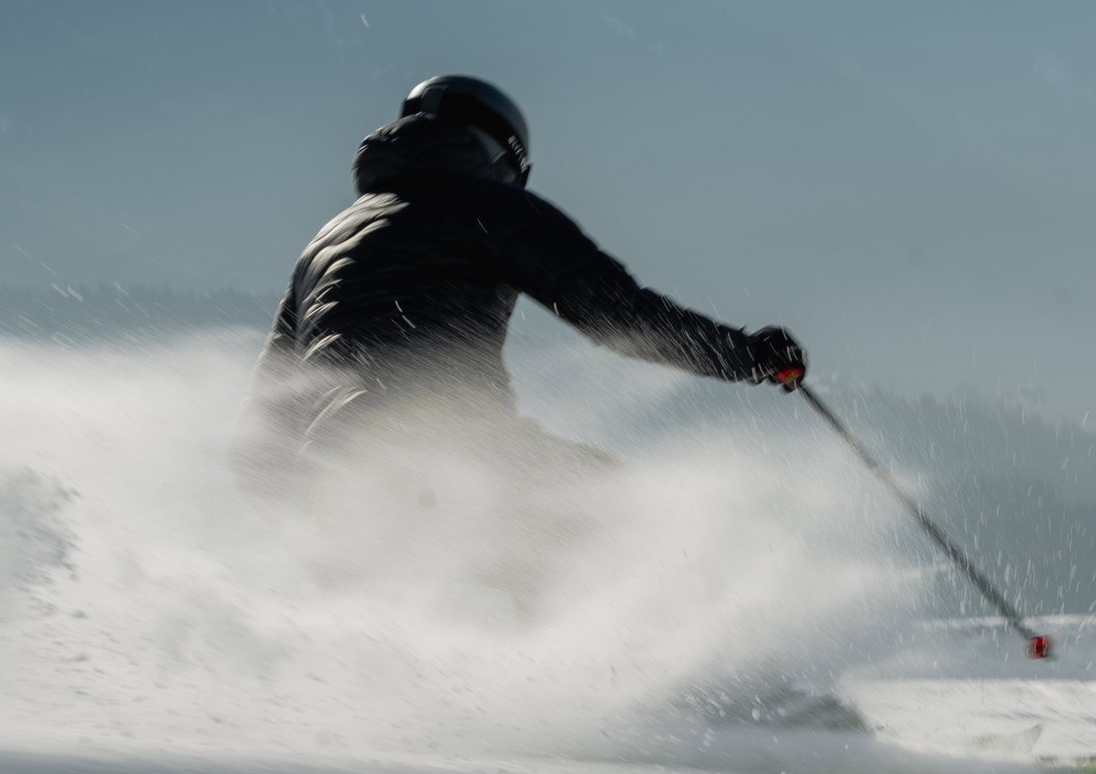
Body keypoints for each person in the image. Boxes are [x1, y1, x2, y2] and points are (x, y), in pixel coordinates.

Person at [233, 75, 805, 612]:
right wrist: (748, 357)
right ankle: (705, 689)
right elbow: (617, 314)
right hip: (450, 438)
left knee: (425, 608)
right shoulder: (488, 207)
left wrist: (302, 510)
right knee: (628, 512)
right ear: (504, 156)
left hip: (335, 471)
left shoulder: (322, 246)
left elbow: (262, 430)